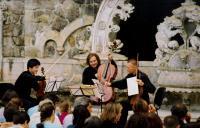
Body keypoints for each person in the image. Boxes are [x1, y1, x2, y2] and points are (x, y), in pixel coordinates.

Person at [107, 57, 156, 128]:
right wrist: (111, 84)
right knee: (122, 104)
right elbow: (122, 83)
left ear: (135, 67)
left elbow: (152, 89)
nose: (127, 69)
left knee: (130, 106)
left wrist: (143, 84)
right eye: (127, 67)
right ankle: (122, 125)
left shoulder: (143, 76)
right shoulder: (130, 76)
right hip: (133, 101)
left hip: (142, 102)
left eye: (129, 67)